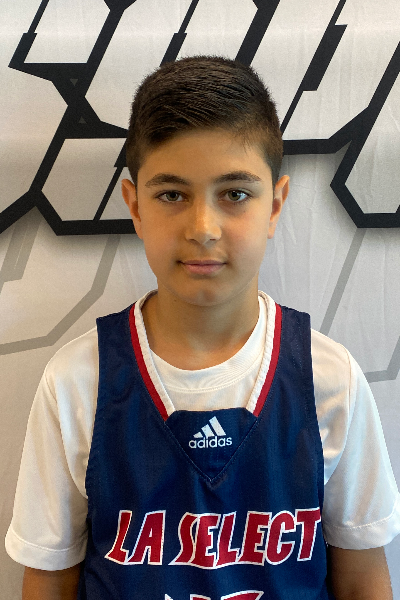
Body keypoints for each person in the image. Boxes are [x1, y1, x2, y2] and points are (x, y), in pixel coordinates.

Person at [5, 55, 400, 600]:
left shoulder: (330, 379)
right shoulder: (78, 381)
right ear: (135, 205)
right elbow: (48, 581)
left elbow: (362, 581)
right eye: (172, 194)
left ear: (275, 205)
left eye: (235, 193)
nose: (203, 228)